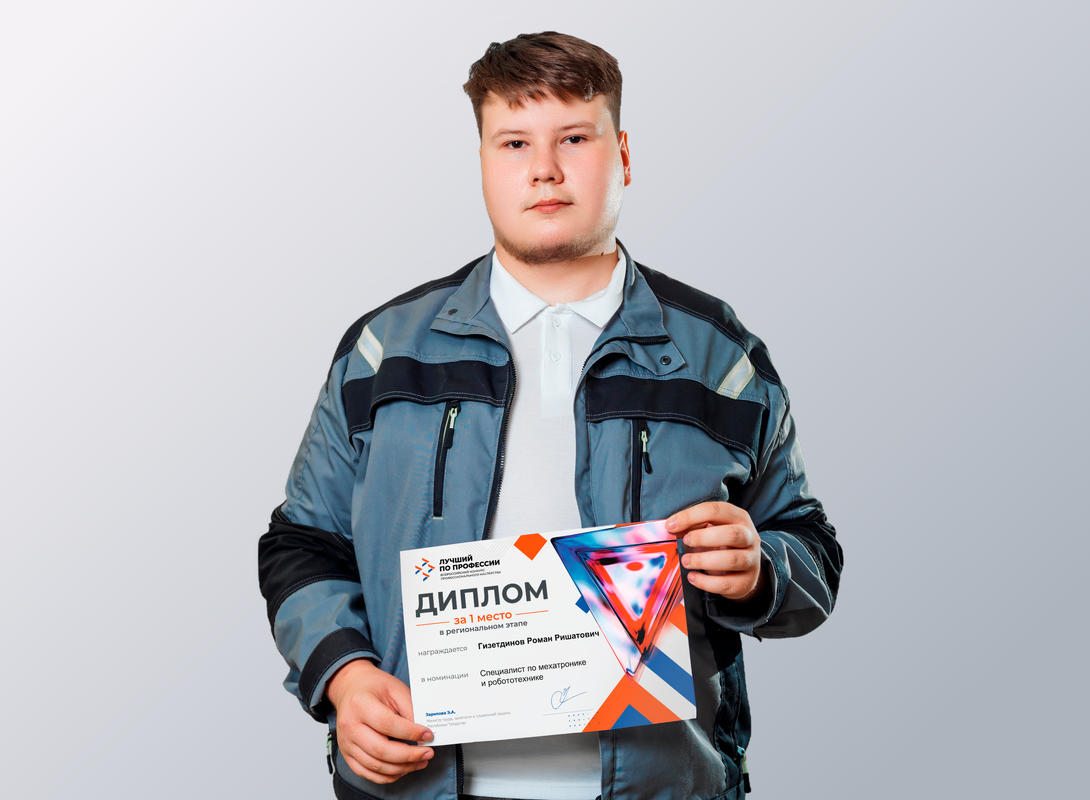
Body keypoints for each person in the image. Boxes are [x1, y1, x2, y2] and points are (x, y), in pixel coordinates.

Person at [258, 31, 842, 800]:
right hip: (420, 786)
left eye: (574, 137)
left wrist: (761, 568)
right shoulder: (382, 353)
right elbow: (302, 545)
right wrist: (346, 675)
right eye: (514, 142)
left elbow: (811, 549)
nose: (544, 168)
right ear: (481, 161)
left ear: (622, 154)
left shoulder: (719, 357)